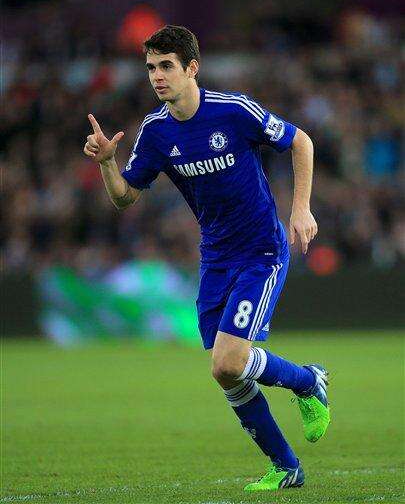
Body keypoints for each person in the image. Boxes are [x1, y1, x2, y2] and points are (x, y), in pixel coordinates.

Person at [83, 25, 330, 492]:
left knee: (229, 362)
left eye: (166, 66)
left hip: (261, 251)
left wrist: (301, 209)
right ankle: (286, 466)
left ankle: (306, 382)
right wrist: (107, 163)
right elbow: (124, 197)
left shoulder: (232, 111)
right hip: (215, 259)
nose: (157, 76)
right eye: (151, 67)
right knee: (226, 373)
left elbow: (301, 141)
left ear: (192, 68)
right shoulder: (155, 132)